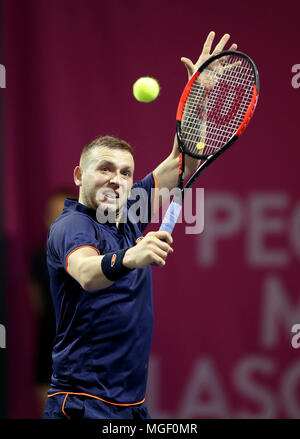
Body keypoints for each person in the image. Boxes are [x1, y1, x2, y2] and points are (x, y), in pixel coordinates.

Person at [44, 31, 238, 419]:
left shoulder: (130, 211)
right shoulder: (72, 226)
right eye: (105, 169)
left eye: (125, 172)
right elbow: (85, 272)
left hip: (131, 405)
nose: (116, 179)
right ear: (80, 176)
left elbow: (184, 163)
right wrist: (130, 257)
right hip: (83, 405)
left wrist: (197, 97)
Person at [29, 189, 75, 416]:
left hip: (81, 352)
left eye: (63, 214)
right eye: (53, 214)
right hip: (48, 347)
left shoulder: (92, 259)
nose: (58, 222)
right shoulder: (39, 260)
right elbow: (37, 305)